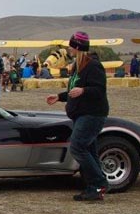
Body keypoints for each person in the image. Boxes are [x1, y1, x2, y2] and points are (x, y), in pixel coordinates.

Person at [46, 32, 109, 202]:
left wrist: (84, 91)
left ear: (78, 48)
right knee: (89, 150)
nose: (69, 49)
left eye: (71, 46)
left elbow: (99, 90)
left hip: (92, 114)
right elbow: (74, 89)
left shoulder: (93, 66)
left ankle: (99, 182)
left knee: (77, 147)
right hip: (80, 113)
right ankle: (94, 188)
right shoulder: (77, 66)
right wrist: (60, 96)